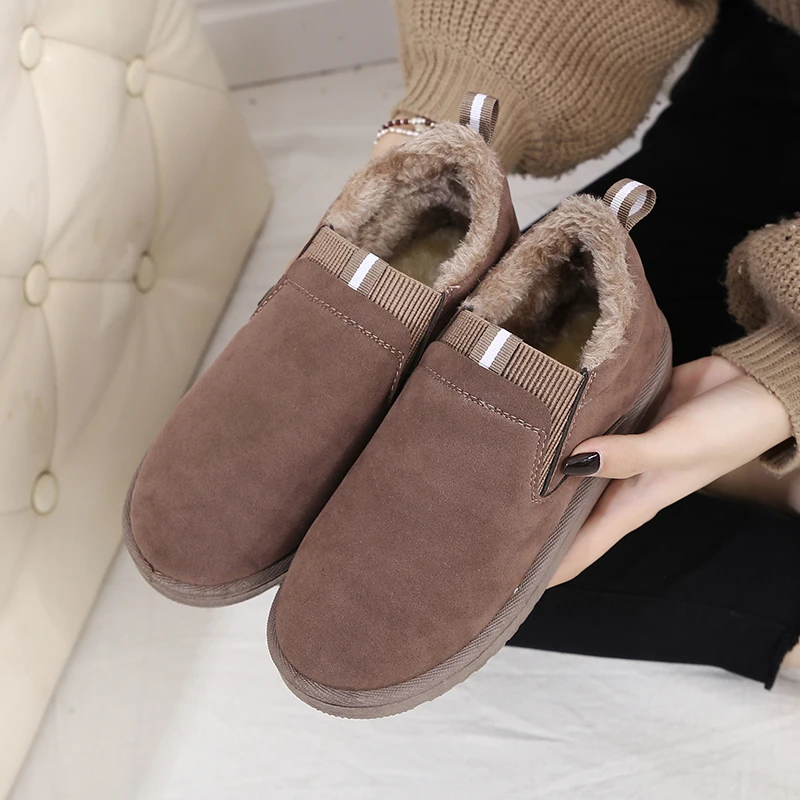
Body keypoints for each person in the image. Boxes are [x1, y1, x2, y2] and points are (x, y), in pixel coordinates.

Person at [371, 0, 800, 686]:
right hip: (756, 106)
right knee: (383, 518)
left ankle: (758, 486)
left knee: (454, 571)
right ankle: (753, 473)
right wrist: (456, 115)